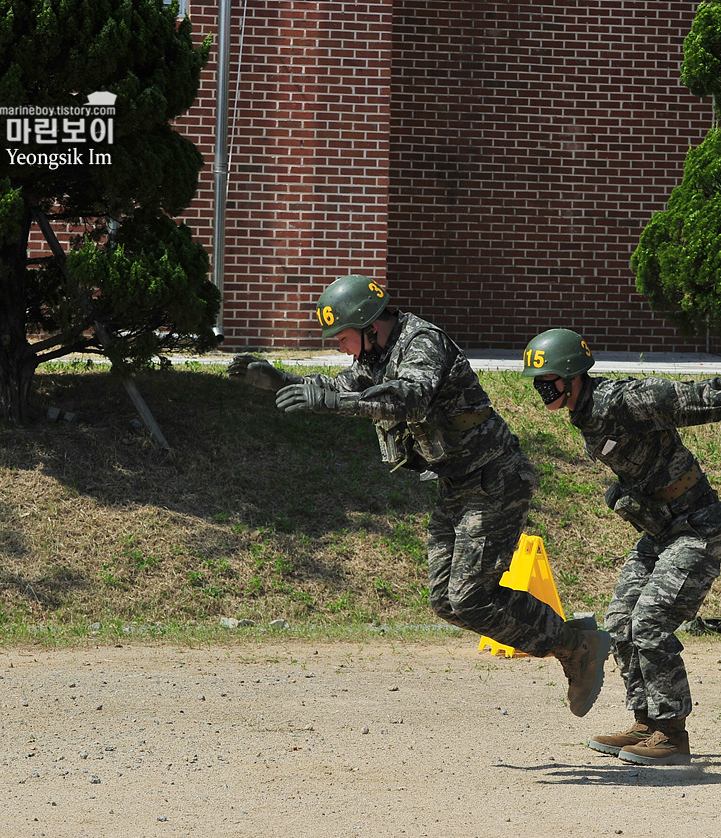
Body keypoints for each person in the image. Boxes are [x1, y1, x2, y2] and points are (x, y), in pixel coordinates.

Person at [227, 276, 612, 716]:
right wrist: (283, 379)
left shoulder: (421, 341)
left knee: (470, 596)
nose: (341, 348)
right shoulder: (378, 354)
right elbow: (344, 386)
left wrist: (330, 404)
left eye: (343, 338)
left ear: (369, 325)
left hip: (494, 477)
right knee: (446, 601)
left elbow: (409, 397)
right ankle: (572, 643)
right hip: (457, 484)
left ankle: (575, 644)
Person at [519, 327, 721, 764]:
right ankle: (646, 723)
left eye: (548, 382)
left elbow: (695, 398)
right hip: (661, 531)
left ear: (572, 375)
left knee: (650, 620)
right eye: (536, 384)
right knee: (620, 622)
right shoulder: (584, 415)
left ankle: (673, 734)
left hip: (698, 526)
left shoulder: (622, 402)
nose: (542, 390)